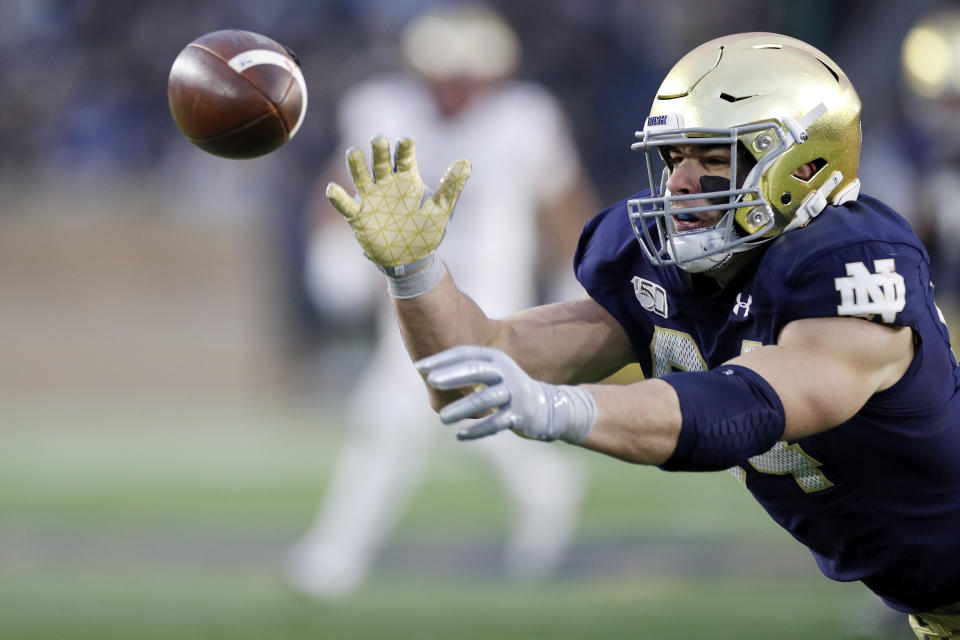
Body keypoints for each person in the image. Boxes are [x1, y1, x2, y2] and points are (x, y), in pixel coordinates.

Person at [325, 31, 960, 638]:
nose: (681, 183)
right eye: (675, 156)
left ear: (803, 165)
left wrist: (557, 409)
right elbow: (477, 365)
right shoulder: (664, 268)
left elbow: (750, 403)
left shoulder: (849, 265)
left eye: (714, 158)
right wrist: (413, 274)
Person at [286, 4, 598, 599]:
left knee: (404, 414)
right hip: (406, 289)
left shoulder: (524, 118)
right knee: (419, 414)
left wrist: (575, 280)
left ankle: (335, 558)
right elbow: (339, 186)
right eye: (442, 76)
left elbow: (565, 205)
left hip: (490, 297)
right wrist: (329, 250)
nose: (453, 90)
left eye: (466, 77)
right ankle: (543, 484)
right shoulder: (382, 108)